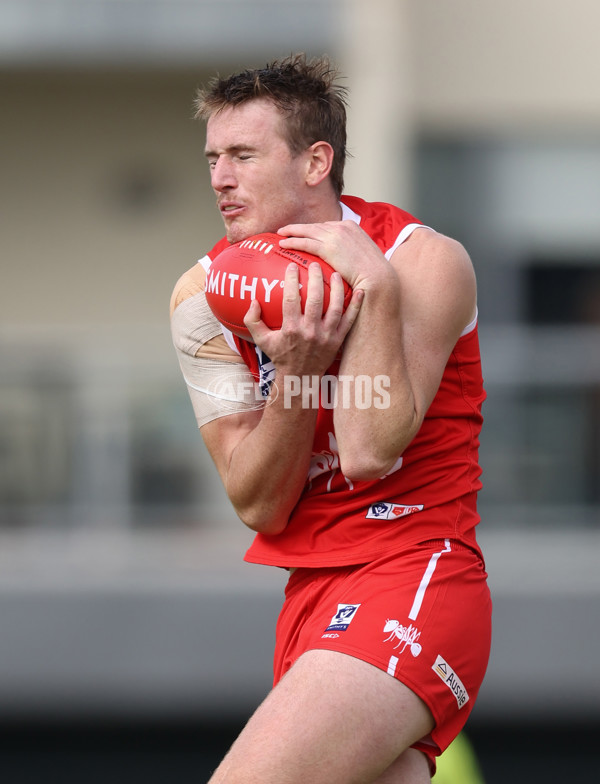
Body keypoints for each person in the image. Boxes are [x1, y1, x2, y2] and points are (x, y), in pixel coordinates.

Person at [170, 53, 492, 784]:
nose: (221, 177)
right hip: (309, 597)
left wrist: (372, 289)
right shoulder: (197, 297)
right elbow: (258, 502)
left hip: (414, 574)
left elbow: (371, 451)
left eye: (244, 155)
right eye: (214, 157)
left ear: (316, 161)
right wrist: (296, 374)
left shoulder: (420, 262)